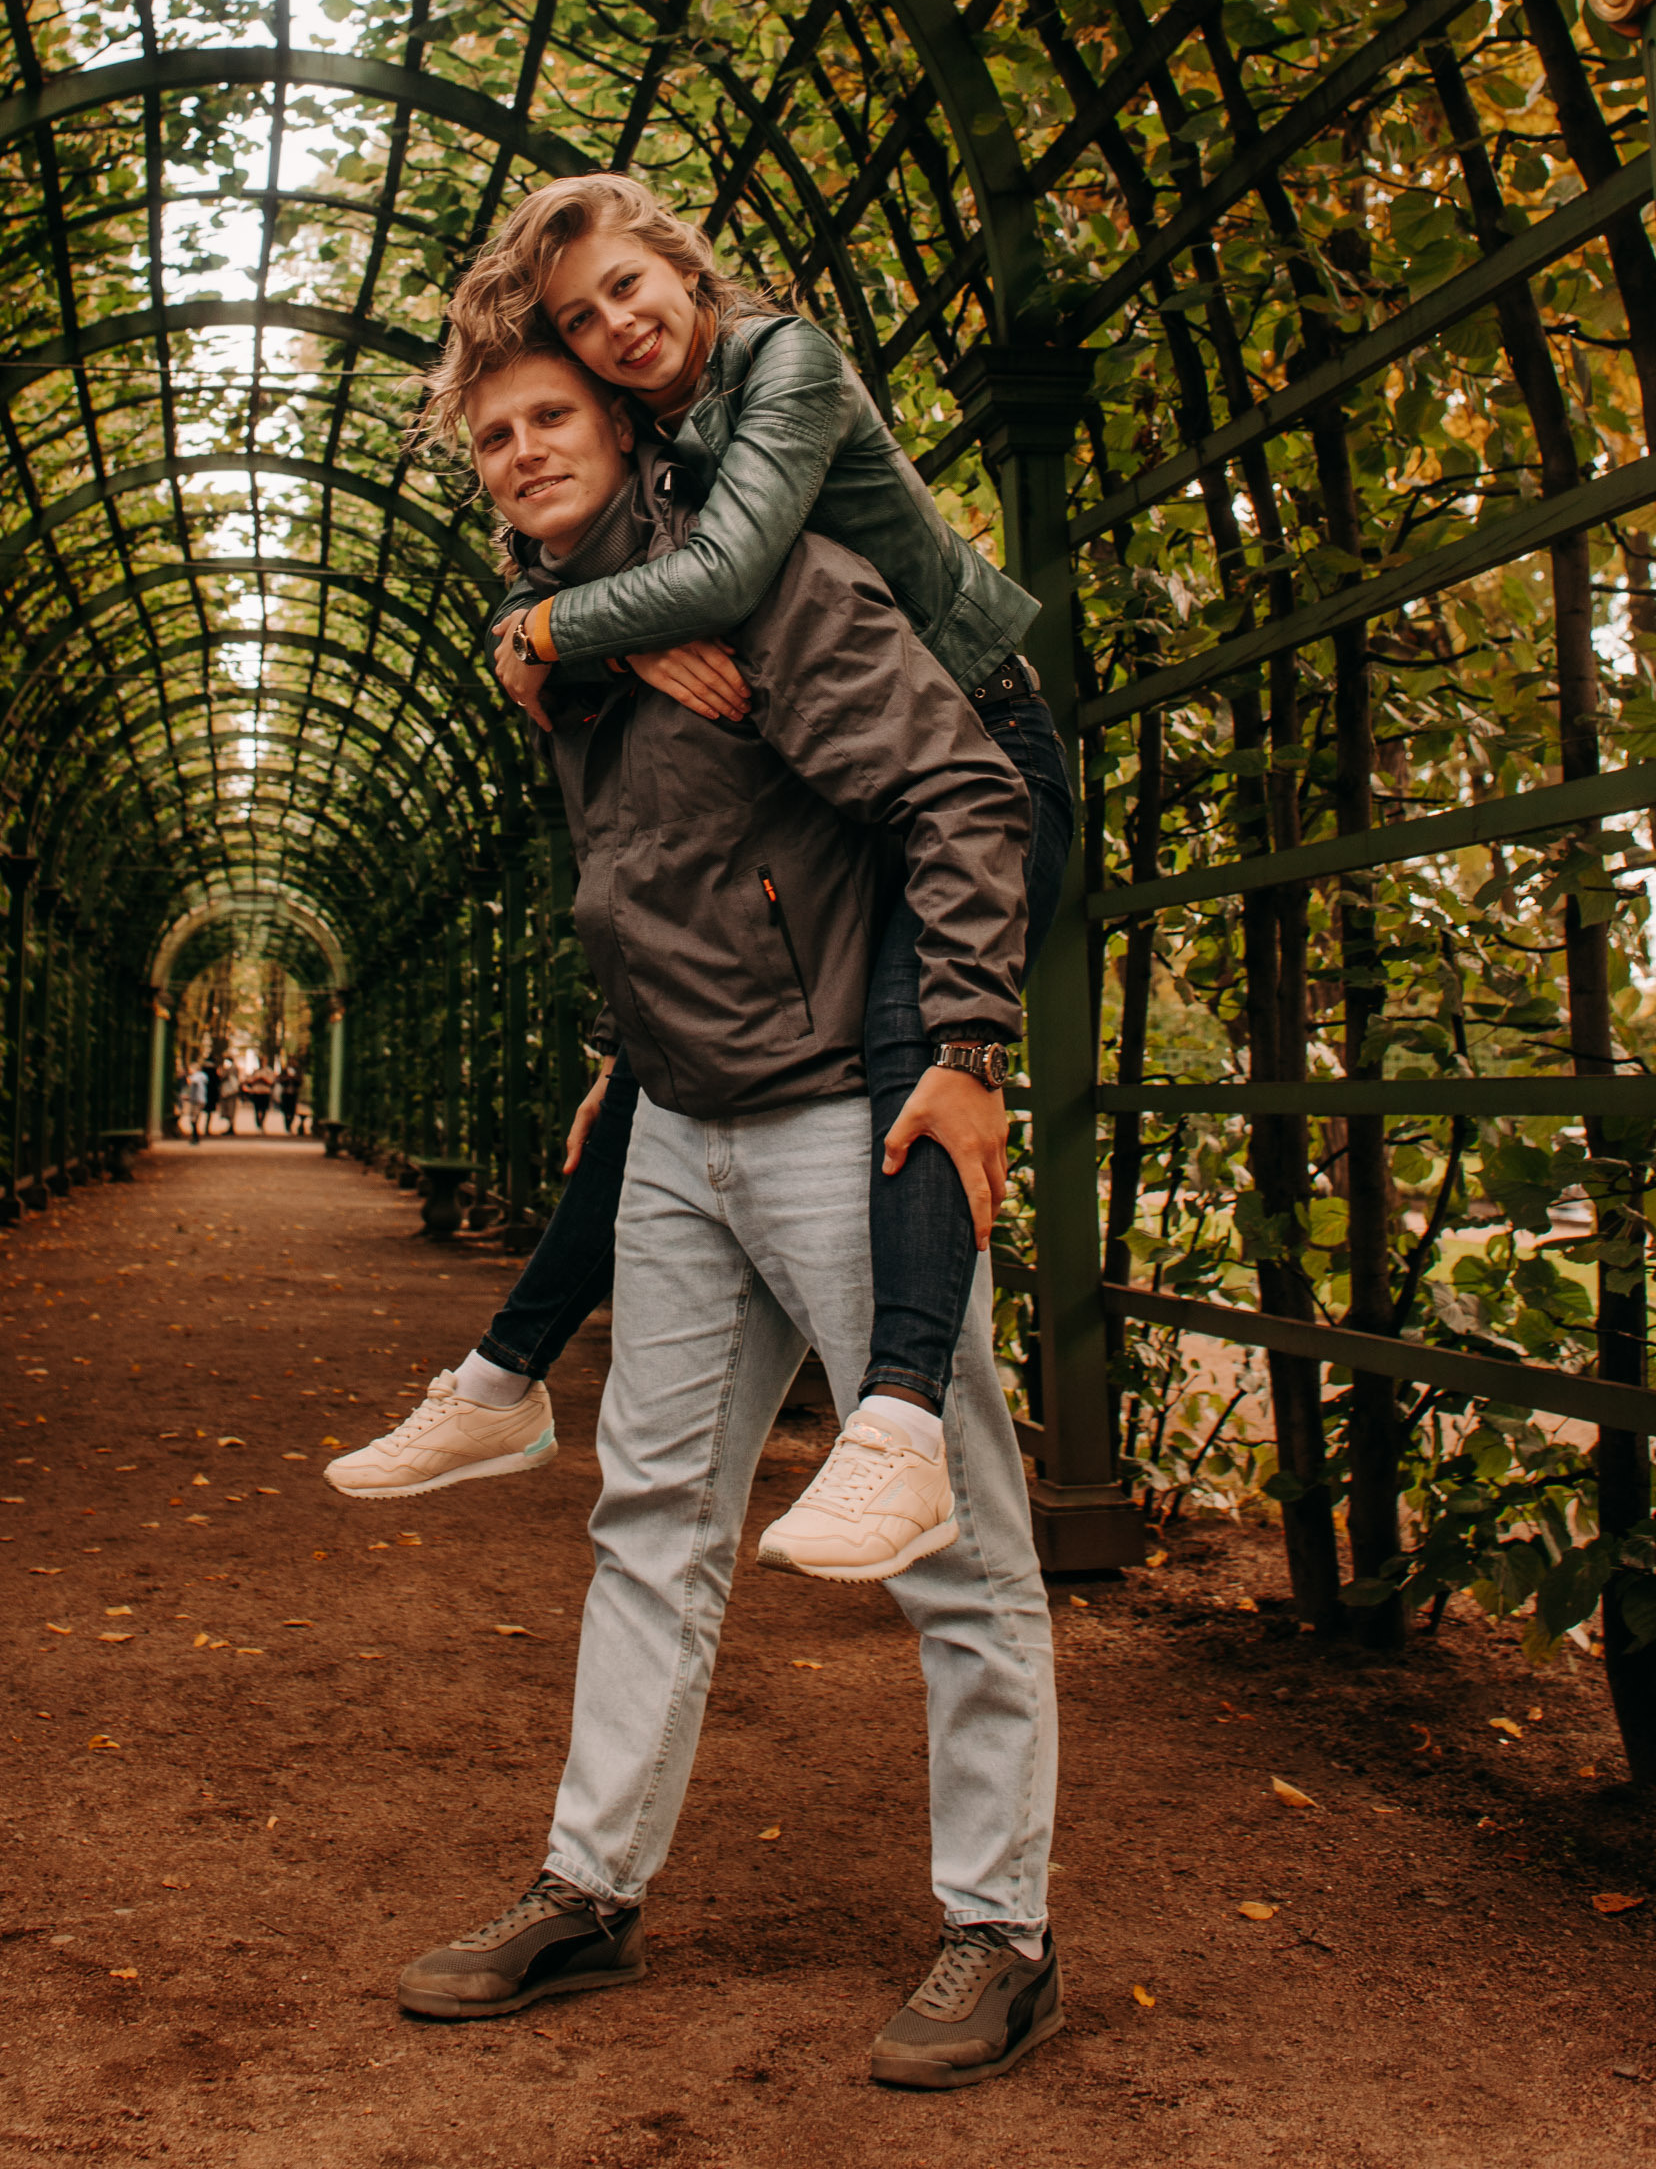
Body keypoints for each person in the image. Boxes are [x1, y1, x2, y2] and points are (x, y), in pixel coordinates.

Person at [387, 342, 1060, 2085]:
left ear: (629, 429)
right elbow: (655, 871)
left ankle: (1000, 1931)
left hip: (847, 1104)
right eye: (497, 437)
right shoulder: (567, 642)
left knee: (959, 1548)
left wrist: (967, 1042)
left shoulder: (780, 588)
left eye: (554, 418)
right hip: (687, 1123)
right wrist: (632, 1049)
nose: (525, 450)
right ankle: (587, 1888)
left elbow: (965, 790)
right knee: (650, 1517)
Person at [327, 176, 1073, 1580]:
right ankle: (501, 1377)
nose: (611, 326)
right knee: (654, 1092)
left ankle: (900, 1421)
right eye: (574, 318)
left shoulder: (782, 363)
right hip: (860, 757)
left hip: (981, 744)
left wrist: (554, 631)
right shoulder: (652, 441)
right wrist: (552, 634)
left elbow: (728, 574)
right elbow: (642, 791)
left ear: (686, 264)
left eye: (626, 288)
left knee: (930, 1055)